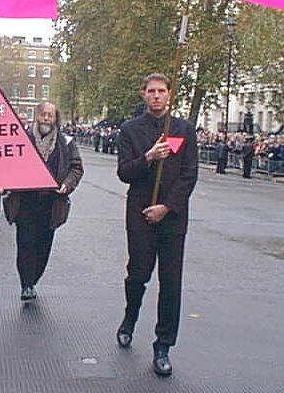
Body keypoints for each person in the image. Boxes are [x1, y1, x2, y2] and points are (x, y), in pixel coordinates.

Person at [115, 73, 198, 377]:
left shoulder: (183, 129)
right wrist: (148, 157)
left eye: (161, 91)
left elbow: (189, 174)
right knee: (138, 273)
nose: (156, 96)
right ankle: (130, 317)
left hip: (172, 216)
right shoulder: (130, 130)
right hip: (139, 211)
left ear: (169, 94)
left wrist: (167, 207)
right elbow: (124, 172)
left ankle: (163, 344)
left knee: (171, 281)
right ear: (144, 95)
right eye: (151, 91)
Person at [3, 101, 83, 301]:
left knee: (44, 245)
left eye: (51, 115)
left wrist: (67, 184)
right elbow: (7, 164)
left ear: (56, 119)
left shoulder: (66, 142)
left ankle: (34, 278)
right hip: (25, 202)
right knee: (26, 243)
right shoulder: (22, 139)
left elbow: (76, 168)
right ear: (36, 116)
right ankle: (26, 284)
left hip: (52, 203)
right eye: (43, 114)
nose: (47, 118)